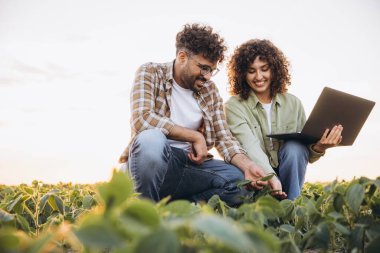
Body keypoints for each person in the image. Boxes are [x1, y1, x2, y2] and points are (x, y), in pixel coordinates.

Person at [119, 24, 286, 206]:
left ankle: (183, 209)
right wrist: (194, 136)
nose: (207, 76)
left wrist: (248, 166)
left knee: (239, 182)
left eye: (212, 70)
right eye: (204, 68)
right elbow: (142, 119)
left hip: (189, 167)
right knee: (151, 140)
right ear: (182, 57)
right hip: (152, 164)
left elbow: (224, 139)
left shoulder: (210, 91)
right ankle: (144, 211)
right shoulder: (150, 72)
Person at [224, 39, 343, 200]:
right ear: (242, 74)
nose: (258, 76)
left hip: (288, 174)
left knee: (295, 147)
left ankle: (291, 206)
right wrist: (271, 177)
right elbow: (249, 146)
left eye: (264, 69)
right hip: (255, 173)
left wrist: (320, 147)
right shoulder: (234, 105)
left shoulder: (293, 103)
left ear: (274, 69)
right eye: (251, 71)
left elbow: (304, 152)